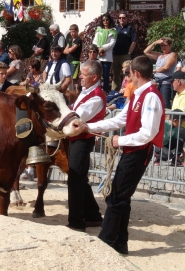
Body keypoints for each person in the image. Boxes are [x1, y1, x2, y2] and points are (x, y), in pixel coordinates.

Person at [86, 55, 165, 254]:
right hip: (132, 151)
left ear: (136, 73)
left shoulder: (150, 96)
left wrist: (119, 140)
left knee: (117, 197)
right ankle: (120, 243)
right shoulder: (139, 95)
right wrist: (88, 126)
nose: (127, 78)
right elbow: (119, 120)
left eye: (129, 74)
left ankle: (107, 241)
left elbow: (149, 133)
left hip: (139, 152)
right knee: (122, 197)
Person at [66, 60, 106, 232]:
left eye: (83, 74)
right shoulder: (86, 91)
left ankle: (76, 222)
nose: (80, 76)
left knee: (75, 179)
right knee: (80, 178)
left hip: (83, 140)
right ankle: (93, 215)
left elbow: (77, 116)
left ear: (94, 76)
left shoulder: (96, 96)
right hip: (76, 139)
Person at [144, 37, 177, 109]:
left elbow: (166, 67)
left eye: (165, 45)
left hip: (166, 82)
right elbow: (146, 52)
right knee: (153, 102)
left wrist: (154, 70)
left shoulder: (172, 54)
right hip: (156, 81)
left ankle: (167, 119)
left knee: (165, 104)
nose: (163, 47)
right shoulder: (159, 55)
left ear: (170, 45)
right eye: (161, 45)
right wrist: (154, 43)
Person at [112, 11, 137, 92]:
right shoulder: (115, 28)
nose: (121, 19)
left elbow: (134, 41)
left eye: (123, 18)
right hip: (115, 55)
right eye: (120, 18)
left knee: (126, 74)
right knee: (115, 75)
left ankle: (126, 91)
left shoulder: (130, 28)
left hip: (125, 55)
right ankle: (115, 92)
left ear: (127, 19)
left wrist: (129, 52)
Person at [92, 13, 117, 93]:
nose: (105, 21)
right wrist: (98, 49)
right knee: (97, 74)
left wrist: (103, 48)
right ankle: (96, 90)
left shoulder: (113, 31)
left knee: (106, 75)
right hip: (98, 56)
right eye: (103, 20)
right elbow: (94, 41)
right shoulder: (99, 30)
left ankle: (105, 91)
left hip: (107, 56)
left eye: (107, 20)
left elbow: (112, 43)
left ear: (109, 20)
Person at [64, 24, 82, 90]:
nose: (72, 33)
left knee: (75, 79)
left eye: (73, 31)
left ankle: (77, 94)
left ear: (77, 31)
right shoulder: (70, 40)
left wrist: (69, 50)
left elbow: (71, 50)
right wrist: (69, 50)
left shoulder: (78, 40)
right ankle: (71, 92)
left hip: (75, 61)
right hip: (68, 61)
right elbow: (64, 51)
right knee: (69, 77)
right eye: (71, 32)